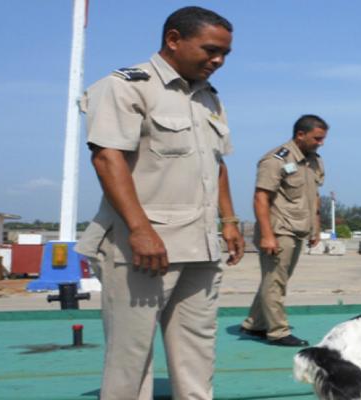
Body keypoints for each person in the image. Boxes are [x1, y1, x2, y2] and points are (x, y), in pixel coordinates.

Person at [74, 6, 244, 399]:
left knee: (197, 351)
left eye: (225, 54)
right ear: (173, 40)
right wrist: (140, 229)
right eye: (210, 50)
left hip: (200, 246)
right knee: (130, 359)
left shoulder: (209, 99)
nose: (217, 61)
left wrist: (230, 221)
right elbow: (106, 157)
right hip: (143, 248)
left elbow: (216, 164)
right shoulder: (127, 86)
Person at [240, 115, 328, 346]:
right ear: (300, 134)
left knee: (275, 279)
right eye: (317, 138)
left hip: (299, 228)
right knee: (276, 282)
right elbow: (261, 197)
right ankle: (278, 331)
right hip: (280, 230)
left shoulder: (313, 161)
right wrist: (267, 235)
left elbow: (314, 197)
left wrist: (315, 228)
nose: (321, 143)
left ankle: (255, 323)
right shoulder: (276, 159)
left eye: (323, 139)